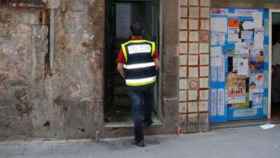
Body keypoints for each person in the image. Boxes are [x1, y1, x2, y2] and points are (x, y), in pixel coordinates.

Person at [116, 22, 160, 147]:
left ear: (131, 33)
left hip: (133, 83)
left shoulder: (125, 47)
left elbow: (119, 67)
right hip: (149, 81)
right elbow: (157, 64)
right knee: (148, 99)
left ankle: (139, 139)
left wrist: (126, 76)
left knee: (136, 108)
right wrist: (150, 73)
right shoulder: (150, 45)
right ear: (142, 32)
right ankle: (148, 120)